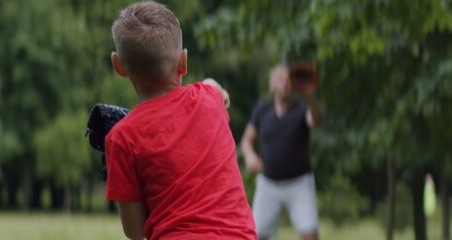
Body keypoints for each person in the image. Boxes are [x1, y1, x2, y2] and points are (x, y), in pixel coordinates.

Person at [104, 2, 256, 240]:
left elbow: (134, 231)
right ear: (183, 62)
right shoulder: (210, 99)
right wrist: (222, 95)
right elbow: (213, 86)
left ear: (118, 65)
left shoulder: (122, 137)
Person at [240, 63, 324, 240]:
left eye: (288, 78)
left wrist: (309, 96)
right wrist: (250, 156)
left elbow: (316, 121)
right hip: (269, 183)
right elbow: (247, 140)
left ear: (293, 83)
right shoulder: (262, 109)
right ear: (272, 84)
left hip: (300, 183)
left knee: (310, 235)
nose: (284, 82)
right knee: (254, 236)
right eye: (280, 78)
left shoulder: (302, 109)